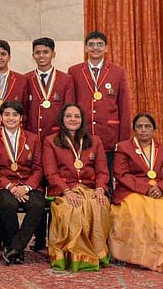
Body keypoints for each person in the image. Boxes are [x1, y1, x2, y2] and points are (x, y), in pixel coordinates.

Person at [109, 113, 163, 273]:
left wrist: (161, 188)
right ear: (134, 130)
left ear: (154, 130)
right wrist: (146, 189)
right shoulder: (123, 148)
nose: (143, 130)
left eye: (147, 127)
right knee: (139, 206)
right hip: (132, 190)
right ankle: (141, 257)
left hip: (161, 188)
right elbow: (121, 174)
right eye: (139, 127)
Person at [43, 103, 112, 272]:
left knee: (99, 205)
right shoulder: (51, 141)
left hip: (90, 189)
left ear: (82, 120)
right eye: (69, 116)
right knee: (72, 208)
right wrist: (66, 191)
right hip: (63, 190)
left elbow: (103, 171)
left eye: (76, 116)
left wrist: (100, 189)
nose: (73, 119)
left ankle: (97, 254)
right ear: (62, 119)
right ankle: (70, 255)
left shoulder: (95, 141)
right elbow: (51, 173)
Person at [0, 100, 44, 265]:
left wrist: (25, 187)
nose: (11, 118)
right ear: (1, 118)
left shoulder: (33, 139)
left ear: (21, 118)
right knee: (8, 204)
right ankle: (14, 250)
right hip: (1, 185)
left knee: (37, 205)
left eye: (15, 115)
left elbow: (38, 168)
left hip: (28, 185)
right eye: (7, 114)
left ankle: (15, 248)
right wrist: (11, 187)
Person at [68, 31, 132, 176]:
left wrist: (123, 142)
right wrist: (72, 135)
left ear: (106, 48)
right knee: (85, 176)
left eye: (99, 45)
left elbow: (125, 107)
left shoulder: (118, 72)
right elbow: (71, 105)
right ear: (85, 48)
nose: (95, 48)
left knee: (107, 178)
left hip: (109, 135)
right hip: (83, 134)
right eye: (91, 45)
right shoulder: (75, 71)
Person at [24, 37, 75, 142]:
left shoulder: (65, 79)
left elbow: (68, 109)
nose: (41, 56)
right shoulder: (26, 79)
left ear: (53, 54)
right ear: (33, 55)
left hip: (56, 137)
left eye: (46, 52)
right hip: (32, 136)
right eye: (38, 52)